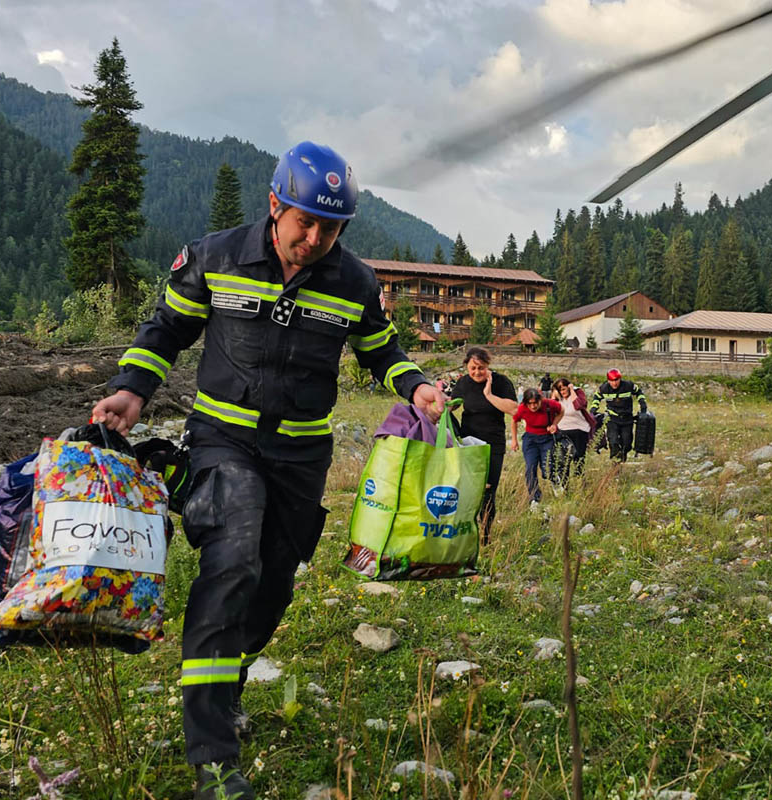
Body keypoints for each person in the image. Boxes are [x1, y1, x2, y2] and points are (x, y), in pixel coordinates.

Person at [91, 142, 445, 800]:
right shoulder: (217, 257)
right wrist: (131, 390)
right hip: (224, 438)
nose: (314, 239)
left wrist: (415, 384)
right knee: (233, 560)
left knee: (274, 583)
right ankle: (214, 760)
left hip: (302, 455)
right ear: (276, 206)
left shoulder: (355, 283)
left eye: (330, 228)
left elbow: (380, 352)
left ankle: (225, 678)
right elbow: (166, 327)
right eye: (304, 222)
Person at [449, 347, 517, 543]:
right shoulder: (463, 383)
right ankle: (465, 533)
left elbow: (513, 409)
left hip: (493, 445)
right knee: (467, 489)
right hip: (468, 444)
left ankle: (485, 535)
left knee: (488, 490)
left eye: (481, 368)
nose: (477, 372)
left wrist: (488, 395)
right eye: (472, 368)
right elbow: (452, 405)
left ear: (488, 365)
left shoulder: (501, 382)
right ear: (466, 366)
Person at [510, 388, 563, 505]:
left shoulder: (549, 404)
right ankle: (535, 498)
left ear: (540, 400)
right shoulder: (522, 408)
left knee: (547, 469)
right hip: (530, 440)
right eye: (530, 403)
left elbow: (561, 410)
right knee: (530, 468)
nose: (533, 406)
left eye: (535, 403)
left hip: (546, 439)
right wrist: (514, 440)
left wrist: (554, 424)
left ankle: (555, 481)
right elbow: (514, 421)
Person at [590, 368, 647, 462]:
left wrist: (643, 405)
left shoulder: (628, 385)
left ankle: (623, 455)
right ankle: (615, 463)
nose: (614, 383)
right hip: (612, 418)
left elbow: (639, 392)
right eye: (611, 381)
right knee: (613, 441)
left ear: (620, 379)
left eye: (616, 380)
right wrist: (593, 409)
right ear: (608, 380)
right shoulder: (604, 388)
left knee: (627, 443)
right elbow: (597, 397)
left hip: (627, 418)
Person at [551, 377, 596, 485]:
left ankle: (580, 481)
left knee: (579, 457)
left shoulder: (577, 394)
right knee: (563, 460)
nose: (563, 391)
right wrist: (553, 397)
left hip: (579, 430)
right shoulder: (558, 400)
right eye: (560, 390)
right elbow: (550, 411)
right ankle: (564, 485)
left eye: (564, 389)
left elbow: (579, 405)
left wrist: (572, 391)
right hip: (563, 432)